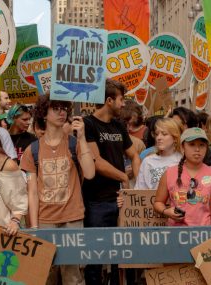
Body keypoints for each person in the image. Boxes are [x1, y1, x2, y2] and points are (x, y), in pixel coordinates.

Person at [20, 95, 95, 285]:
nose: (62, 112)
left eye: (65, 108)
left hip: (72, 218)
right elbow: (33, 192)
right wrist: (34, 226)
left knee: (73, 277)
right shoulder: (32, 150)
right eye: (56, 108)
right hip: (45, 221)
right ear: (44, 113)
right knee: (45, 276)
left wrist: (83, 138)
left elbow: (90, 173)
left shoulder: (74, 143)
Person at [82, 79, 140, 285]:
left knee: (121, 253)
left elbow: (133, 155)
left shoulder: (119, 125)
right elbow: (96, 161)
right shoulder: (87, 124)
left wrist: (137, 187)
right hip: (96, 201)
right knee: (95, 255)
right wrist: (124, 177)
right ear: (108, 100)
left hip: (121, 200)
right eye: (121, 99)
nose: (124, 104)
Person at [153, 127, 211, 226]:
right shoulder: (169, 173)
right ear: (182, 148)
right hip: (176, 235)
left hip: (204, 235)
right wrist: (166, 211)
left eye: (202, 145)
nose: (197, 149)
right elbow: (158, 202)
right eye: (192, 144)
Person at [135, 118, 183, 189]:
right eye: (157, 134)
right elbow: (139, 190)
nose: (158, 138)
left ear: (175, 138)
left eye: (164, 134)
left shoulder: (182, 160)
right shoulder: (148, 161)